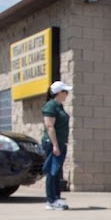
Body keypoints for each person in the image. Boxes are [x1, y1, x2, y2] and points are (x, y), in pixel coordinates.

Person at [41, 80, 72, 210]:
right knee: (52, 172)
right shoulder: (51, 106)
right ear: (59, 93)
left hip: (59, 143)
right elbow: (50, 126)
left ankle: (56, 198)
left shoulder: (59, 106)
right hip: (53, 143)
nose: (67, 94)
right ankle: (51, 200)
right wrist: (55, 145)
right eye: (65, 91)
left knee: (56, 171)